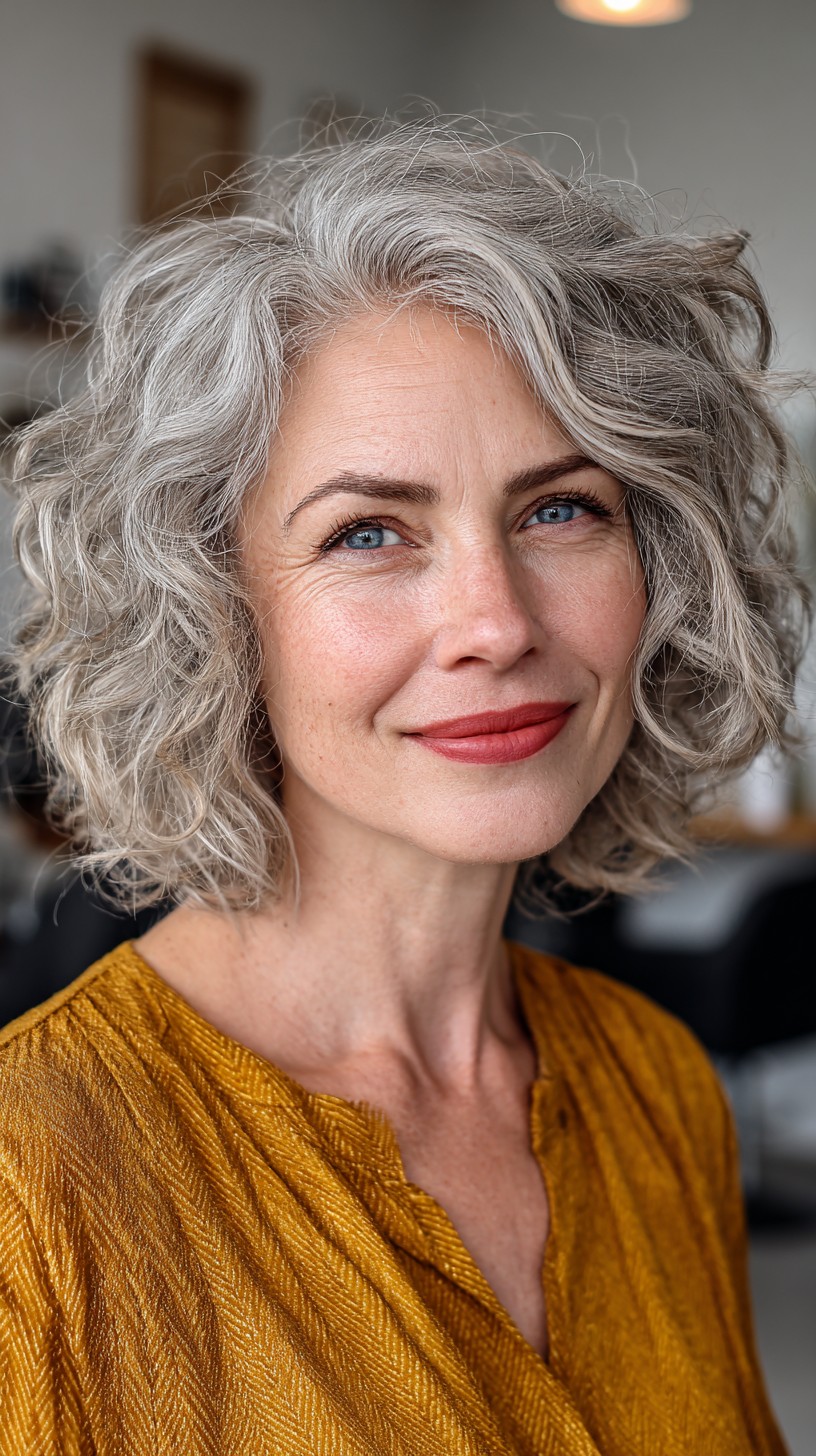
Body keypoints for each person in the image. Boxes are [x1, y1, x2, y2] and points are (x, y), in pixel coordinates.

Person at [0, 116, 805, 1455]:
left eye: (562, 509)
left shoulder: (656, 1086)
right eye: (369, 532)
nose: (495, 622)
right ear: (214, 614)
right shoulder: (30, 1186)